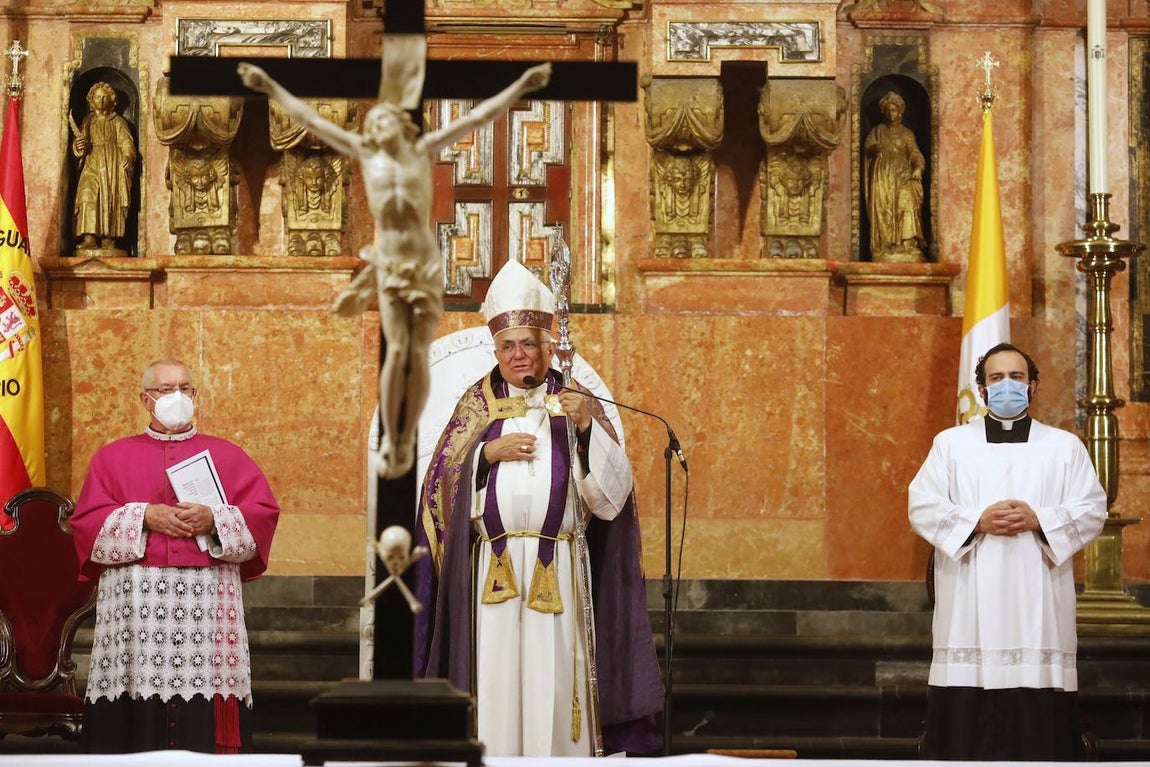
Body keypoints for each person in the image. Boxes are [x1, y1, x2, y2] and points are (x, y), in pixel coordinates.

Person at [237, 39, 550, 480]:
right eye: (375, 122)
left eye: (386, 120)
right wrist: (269, 84)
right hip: (391, 263)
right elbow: (310, 119)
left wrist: (521, 84)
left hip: (422, 264)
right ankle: (395, 439)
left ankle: (405, 437)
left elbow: (480, 115)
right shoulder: (368, 156)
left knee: (415, 356)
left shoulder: (422, 151)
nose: (379, 126)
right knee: (397, 350)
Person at [413, 259, 663, 757]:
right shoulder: (475, 407)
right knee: (498, 678)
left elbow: (612, 498)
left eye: (528, 343)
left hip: (561, 568)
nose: (519, 355)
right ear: (496, 349)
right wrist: (484, 454)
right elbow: (437, 492)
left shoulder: (574, 399)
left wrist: (589, 425)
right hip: (494, 573)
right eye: (508, 346)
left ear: (548, 346)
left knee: (555, 678)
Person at [908, 342, 1107, 760]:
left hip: (1038, 600)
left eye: (1017, 377)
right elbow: (922, 506)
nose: (1007, 386)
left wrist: (1041, 520)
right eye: (996, 378)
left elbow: (1092, 508)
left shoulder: (1064, 447)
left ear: (1033, 387)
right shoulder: (951, 444)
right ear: (981, 391)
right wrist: (976, 522)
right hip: (969, 602)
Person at [71, 358, 279, 754]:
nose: (178, 396)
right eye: (167, 389)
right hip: (136, 607)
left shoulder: (229, 455)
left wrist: (214, 518)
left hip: (206, 599)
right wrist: (145, 514)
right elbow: (87, 526)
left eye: (186, 388)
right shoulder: (112, 458)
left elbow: (262, 516)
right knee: (134, 692)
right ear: (146, 400)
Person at [71, 81, 137, 252]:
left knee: (110, 199)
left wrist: (128, 157)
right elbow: (81, 145)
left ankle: (109, 239)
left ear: (112, 100)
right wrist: (78, 147)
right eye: (97, 97)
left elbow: (126, 143)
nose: (100, 100)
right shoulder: (88, 121)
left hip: (112, 165)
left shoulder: (118, 122)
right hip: (92, 162)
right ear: (91, 101)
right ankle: (89, 237)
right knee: (87, 195)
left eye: (104, 97)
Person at [864, 90, 925, 262]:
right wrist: (872, 149)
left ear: (901, 111)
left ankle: (907, 244)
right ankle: (884, 245)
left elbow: (915, 154)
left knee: (907, 201)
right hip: (882, 178)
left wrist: (918, 168)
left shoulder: (907, 133)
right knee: (883, 209)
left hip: (902, 176)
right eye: (888, 110)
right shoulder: (877, 131)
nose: (891, 114)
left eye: (894, 110)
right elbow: (868, 149)